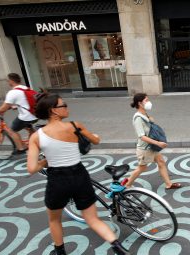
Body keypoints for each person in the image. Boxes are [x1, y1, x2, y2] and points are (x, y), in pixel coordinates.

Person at [26, 93, 129, 255]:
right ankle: (118, 247)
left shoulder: (36, 137)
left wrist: (46, 161)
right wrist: (95, 136)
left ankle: (59, 251)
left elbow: (31, 168)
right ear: (53, 111)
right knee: (93, 219)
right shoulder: (75, 126)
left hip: (57, 180)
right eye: (63, 105)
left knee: (54, 219)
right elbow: (96, 141)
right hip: (80, 176)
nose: (67, 107)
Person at [121, 93, 182, 189]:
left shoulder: (144, 114)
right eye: (146, 100)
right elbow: (141, 136)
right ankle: (127, 184)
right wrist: (158, 143)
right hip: (145, 148)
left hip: (151, 147)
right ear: (140, 103)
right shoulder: (138, 118)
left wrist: (150, 120)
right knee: (142, 167)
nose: (149, 102)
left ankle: (168, 184)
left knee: (161, 161)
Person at [0, 73, 38, 155]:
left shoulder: (12, 92)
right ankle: (34, 142)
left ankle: (21, 148)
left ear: (10, 81)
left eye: (8, 80)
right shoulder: (25, 88)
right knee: (28, 127)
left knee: (12, 130)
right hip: (35, 114)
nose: (8, 82)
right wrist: (16, 106)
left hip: (26, 116)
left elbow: (3, 108)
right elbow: (25, 101)